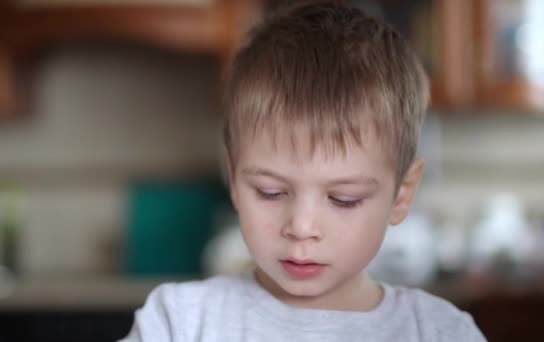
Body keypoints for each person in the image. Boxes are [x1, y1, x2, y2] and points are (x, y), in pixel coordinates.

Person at [119, 1, 486, 341]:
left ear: (402, 194)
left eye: (344, 199)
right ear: (233, 177)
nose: (301, 227)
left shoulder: (440, 332)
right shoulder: (178, 323)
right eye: (270, 191)